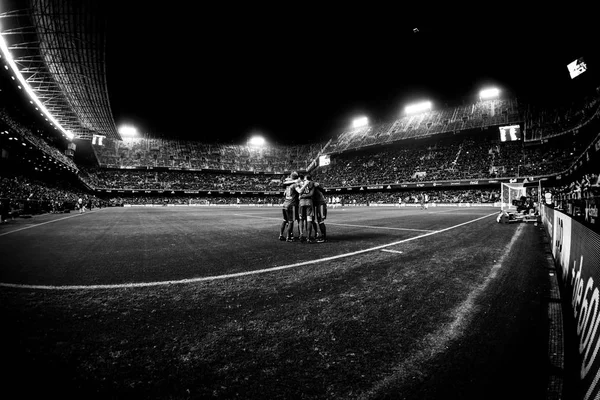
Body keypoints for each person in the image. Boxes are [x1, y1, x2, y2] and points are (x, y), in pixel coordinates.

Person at [279, 172, 300, 242]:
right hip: (292, 205)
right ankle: (289, 237)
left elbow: (283, 184)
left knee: (285, 220)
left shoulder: (287, 186)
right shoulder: (294, 185)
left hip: (285, 204)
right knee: (291, 222)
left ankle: (281, 235)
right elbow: (299, 191)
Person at [296, 174, 316, 243]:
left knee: (301, 219)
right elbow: (311, 194)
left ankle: (301, 235)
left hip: (301, 203)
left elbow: (299, 193)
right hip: (309, 203)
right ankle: (308, 237)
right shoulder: (312, 184)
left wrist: (302, 196)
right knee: (309, 220)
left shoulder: (299, 183)